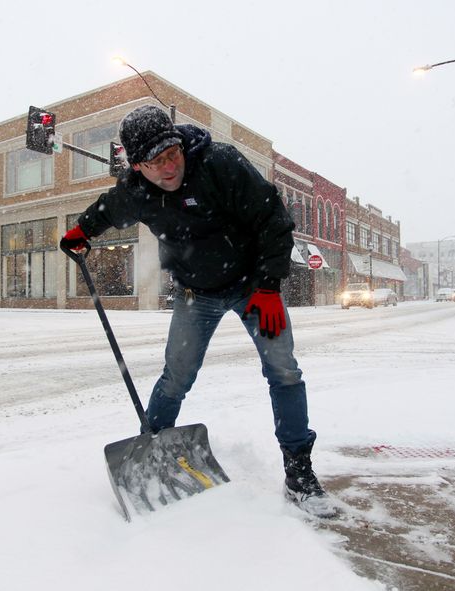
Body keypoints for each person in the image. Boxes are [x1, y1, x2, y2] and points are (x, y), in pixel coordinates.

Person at [60, 105, 335, 518]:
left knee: (284, 371)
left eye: (172, 153)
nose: (168, 167)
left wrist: (267, 286)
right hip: (195, 294)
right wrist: (81, 231)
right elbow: (109, 208)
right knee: (176, 377)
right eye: (155, 162)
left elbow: (273, 220)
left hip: (251, 287)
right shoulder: (137, 190)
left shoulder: (220, 163)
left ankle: (299, 472)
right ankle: (148, 454)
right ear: (137, 166)